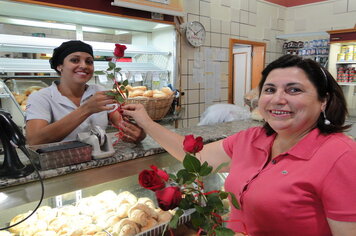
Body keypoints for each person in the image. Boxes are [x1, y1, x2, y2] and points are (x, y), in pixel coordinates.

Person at [122, 54, 356, 236]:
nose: (277, 99)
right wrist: (147, 121)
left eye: (294, 89)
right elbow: (197, 158)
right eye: (270, 89)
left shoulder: (340, 155)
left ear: (323, 100)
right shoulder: (253, 138)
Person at [25, 40, 145, 145]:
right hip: (60, 164)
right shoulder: (41, 98)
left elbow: (121, 123)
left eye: (89, 61)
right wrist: (86, 109)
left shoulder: (99, 91)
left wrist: (138, 133)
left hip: (98, 159)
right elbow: (35, 140)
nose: (84, 65)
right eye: (75, 60)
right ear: (60, 66)